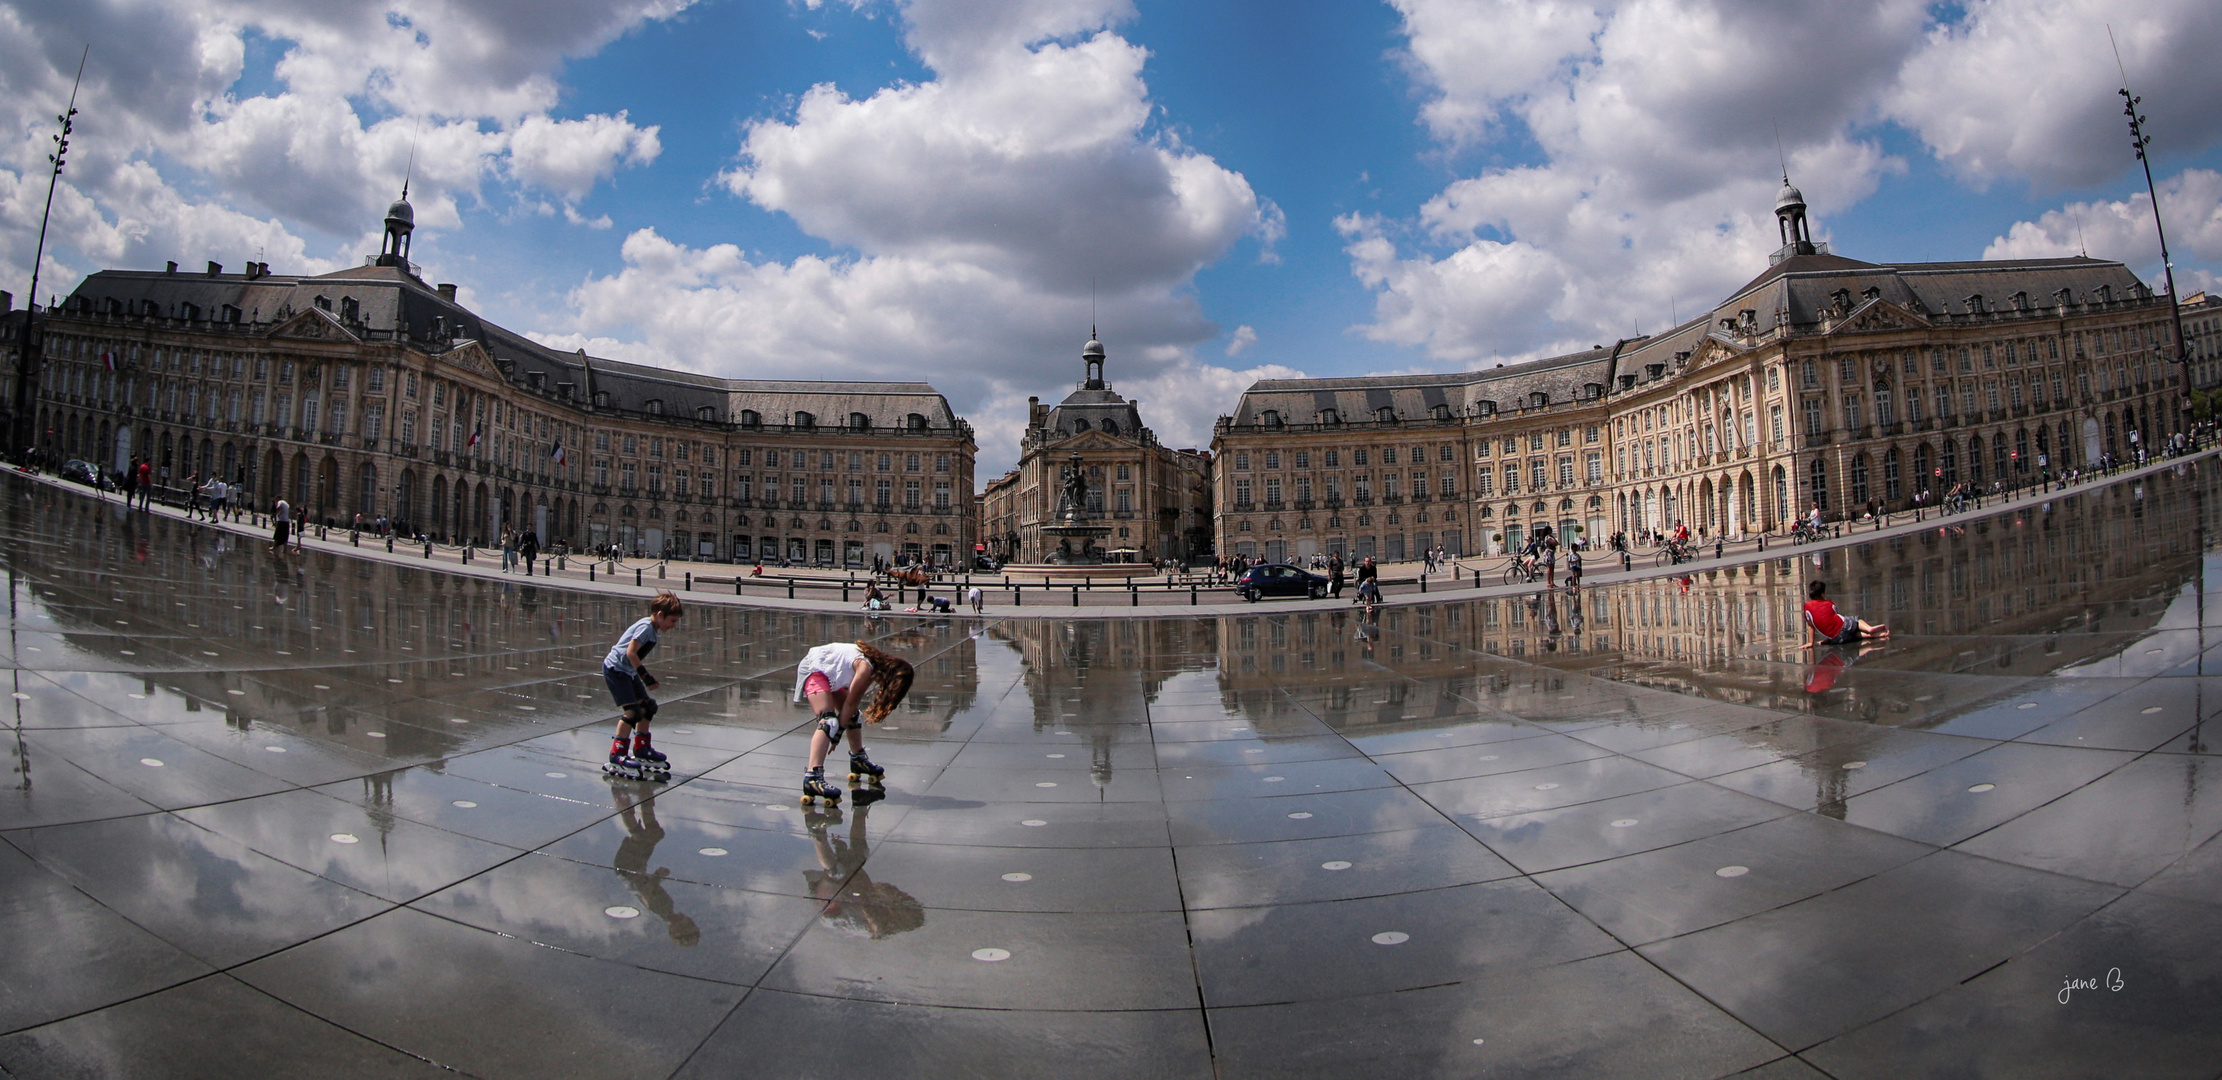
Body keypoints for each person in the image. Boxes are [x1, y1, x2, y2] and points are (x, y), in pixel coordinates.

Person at [792, 641, 915, 806]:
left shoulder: (873, 666)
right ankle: (812, 778)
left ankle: (858, 760)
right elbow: (849, 703)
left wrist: (840, 731)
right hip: (815, 669)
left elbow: (850, 707)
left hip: (830, 672)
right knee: (829, 722)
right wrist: (836, 735)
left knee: (852, 716)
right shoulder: (866, 669)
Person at [603, 592, 684, 780]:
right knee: (633, 712)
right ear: (660, 615)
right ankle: (617, 753)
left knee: (648, 707)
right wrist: (645, 676)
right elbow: (631, 653)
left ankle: (641, 749)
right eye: (672, 621)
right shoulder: (645, 627)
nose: (673, 626)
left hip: (628, 671)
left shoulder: (653, 629)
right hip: (616, 670)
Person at [1801, 580, 1889, 649]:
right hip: (1845, 626)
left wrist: (1811, 642)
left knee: (1853, 635)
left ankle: (1873, 635)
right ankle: (1869, 629)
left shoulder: (1807, 607)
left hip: (1837, 639)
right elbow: (1835, 618)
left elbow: (1811, 625)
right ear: (1823, 594)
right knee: (1855, 620)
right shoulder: (1829, 603)